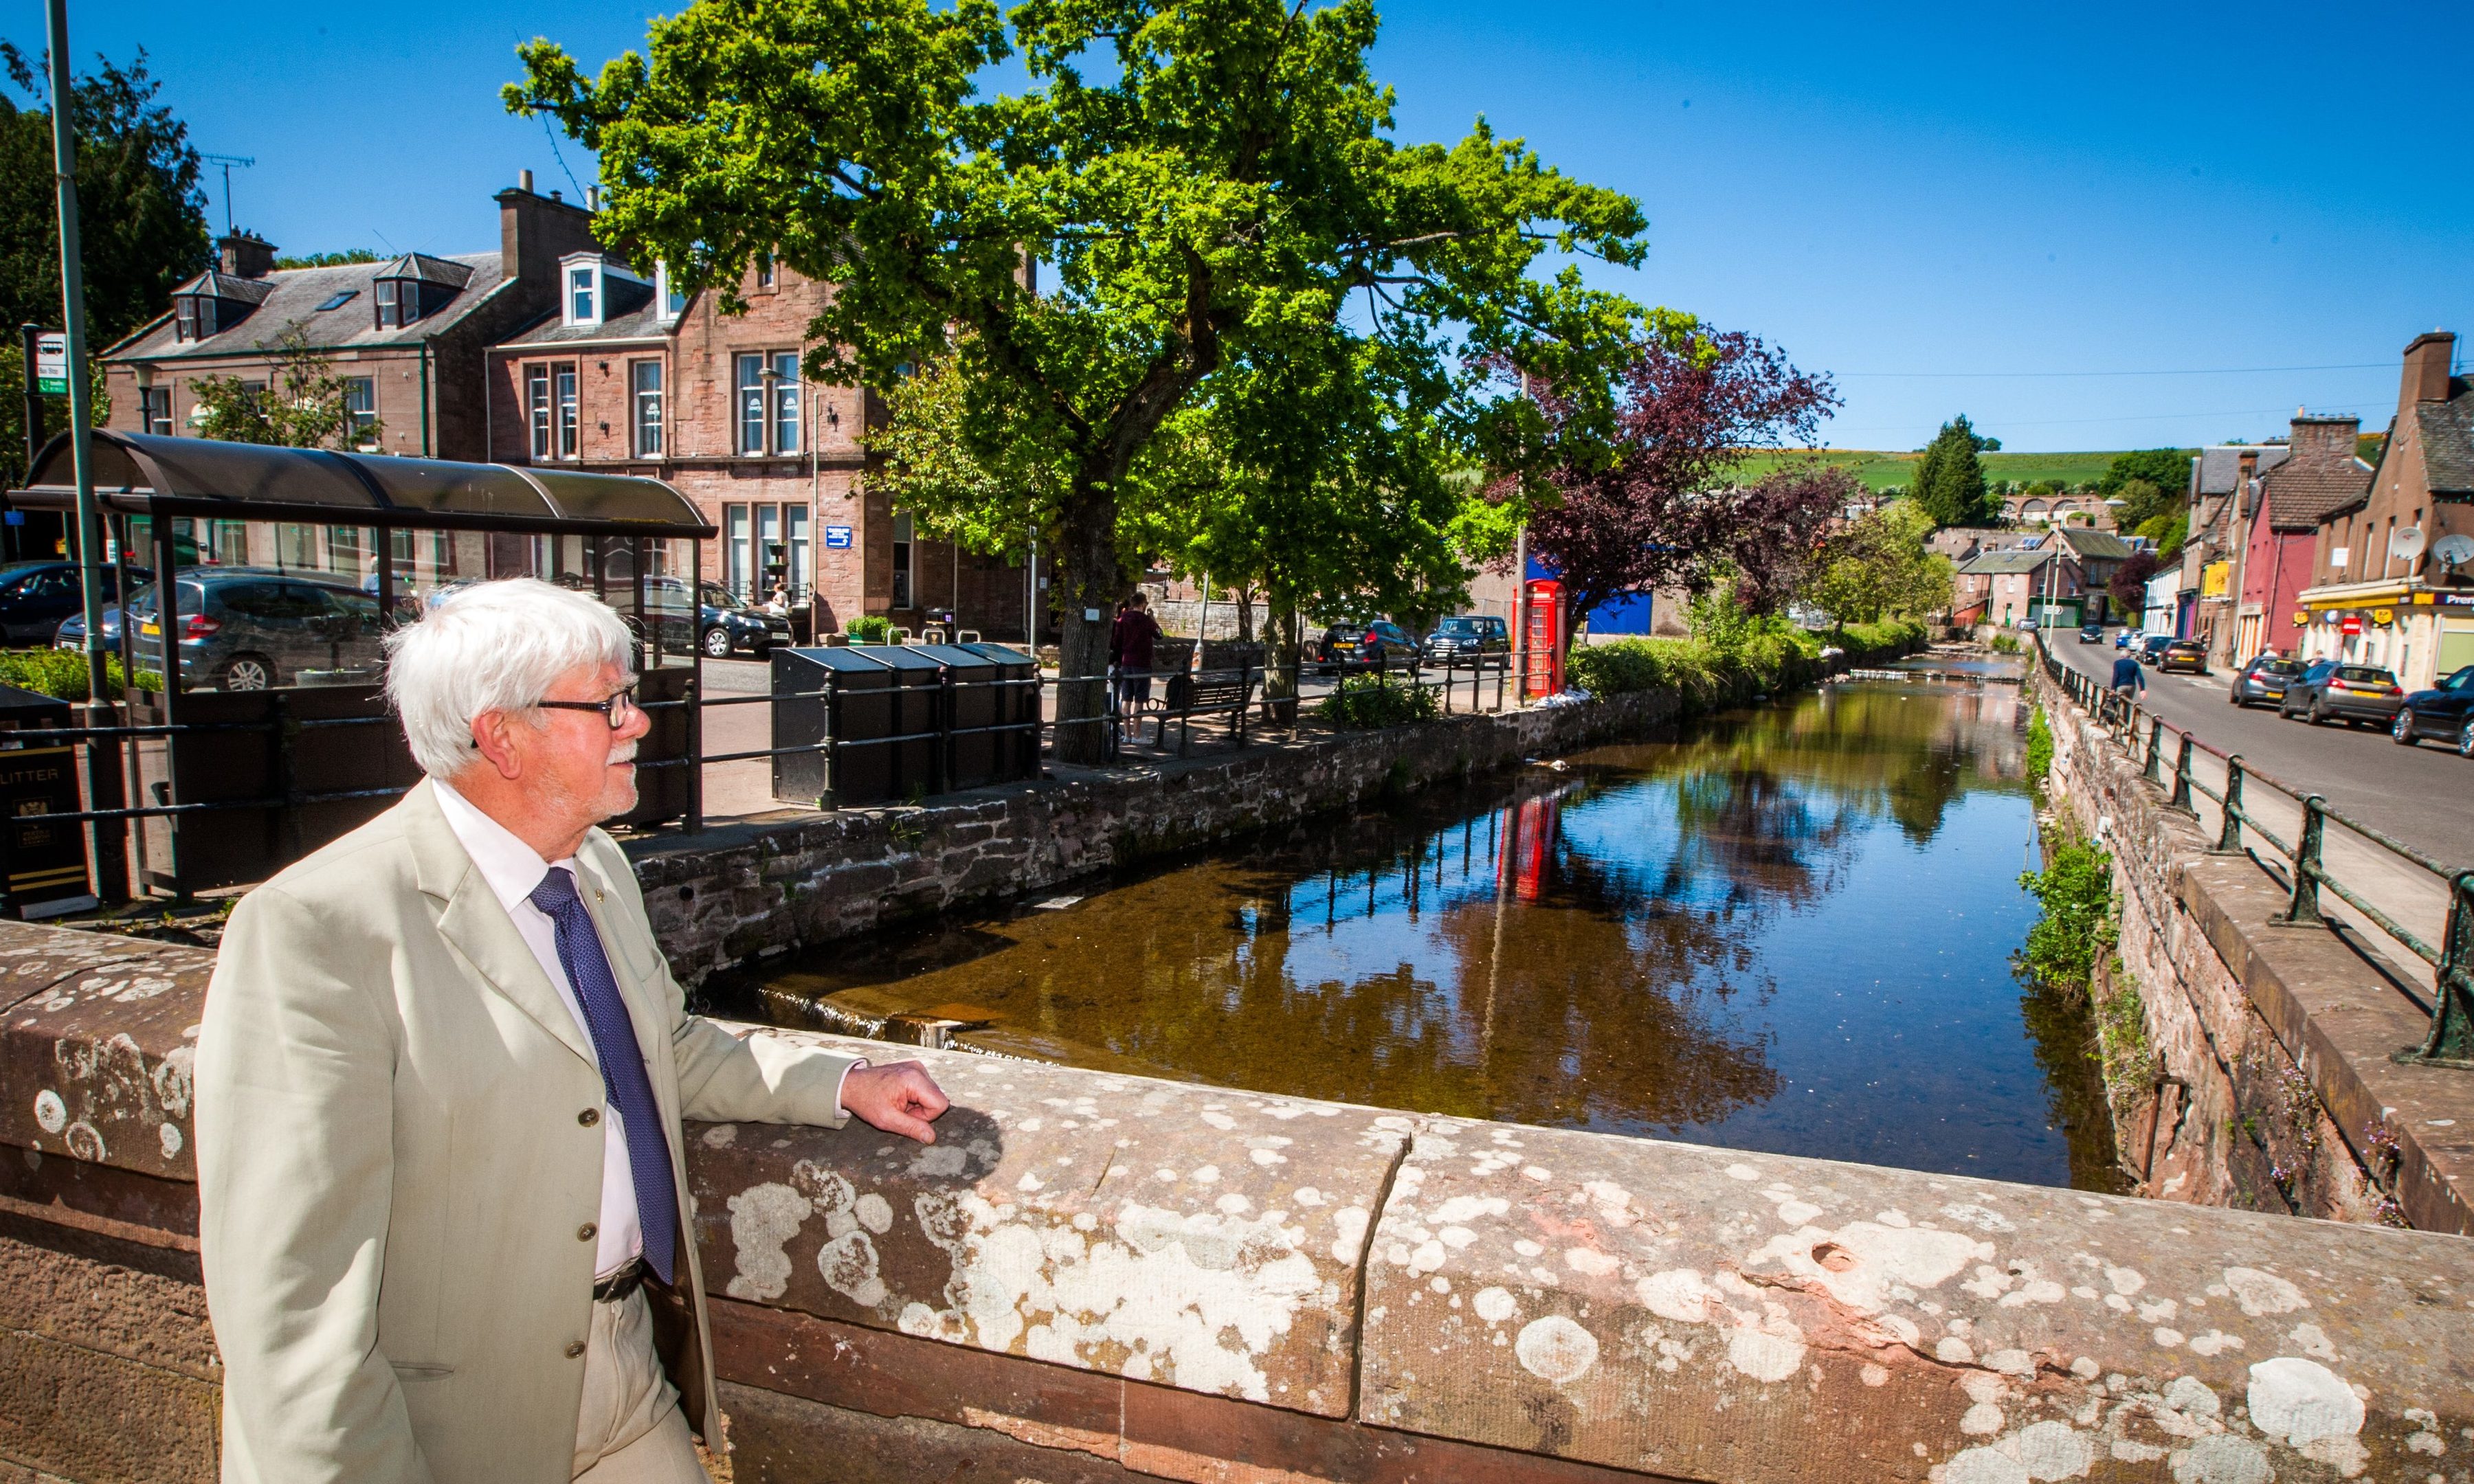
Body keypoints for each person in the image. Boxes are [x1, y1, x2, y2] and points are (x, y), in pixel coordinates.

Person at [196, 578, 950, 1483]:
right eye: (609, 703)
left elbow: (660, 1049)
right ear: (502, 736)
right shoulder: (317, 929)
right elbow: (293, 1298)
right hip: (447, 1424)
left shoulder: (594, 870)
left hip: (628, 1370)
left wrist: (836, 1083)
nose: (638, 722)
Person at [1110, 590, 1163, 719]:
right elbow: (1160, 635)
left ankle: (1127, 733)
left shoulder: (1122, 619)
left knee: (1126, 698)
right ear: (1143, 604)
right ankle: (1137, 734)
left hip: (1127, 662)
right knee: (1139, 700)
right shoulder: (1146, 620)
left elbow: (1116, 642)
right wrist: (1153, 619)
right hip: (1142, 663)